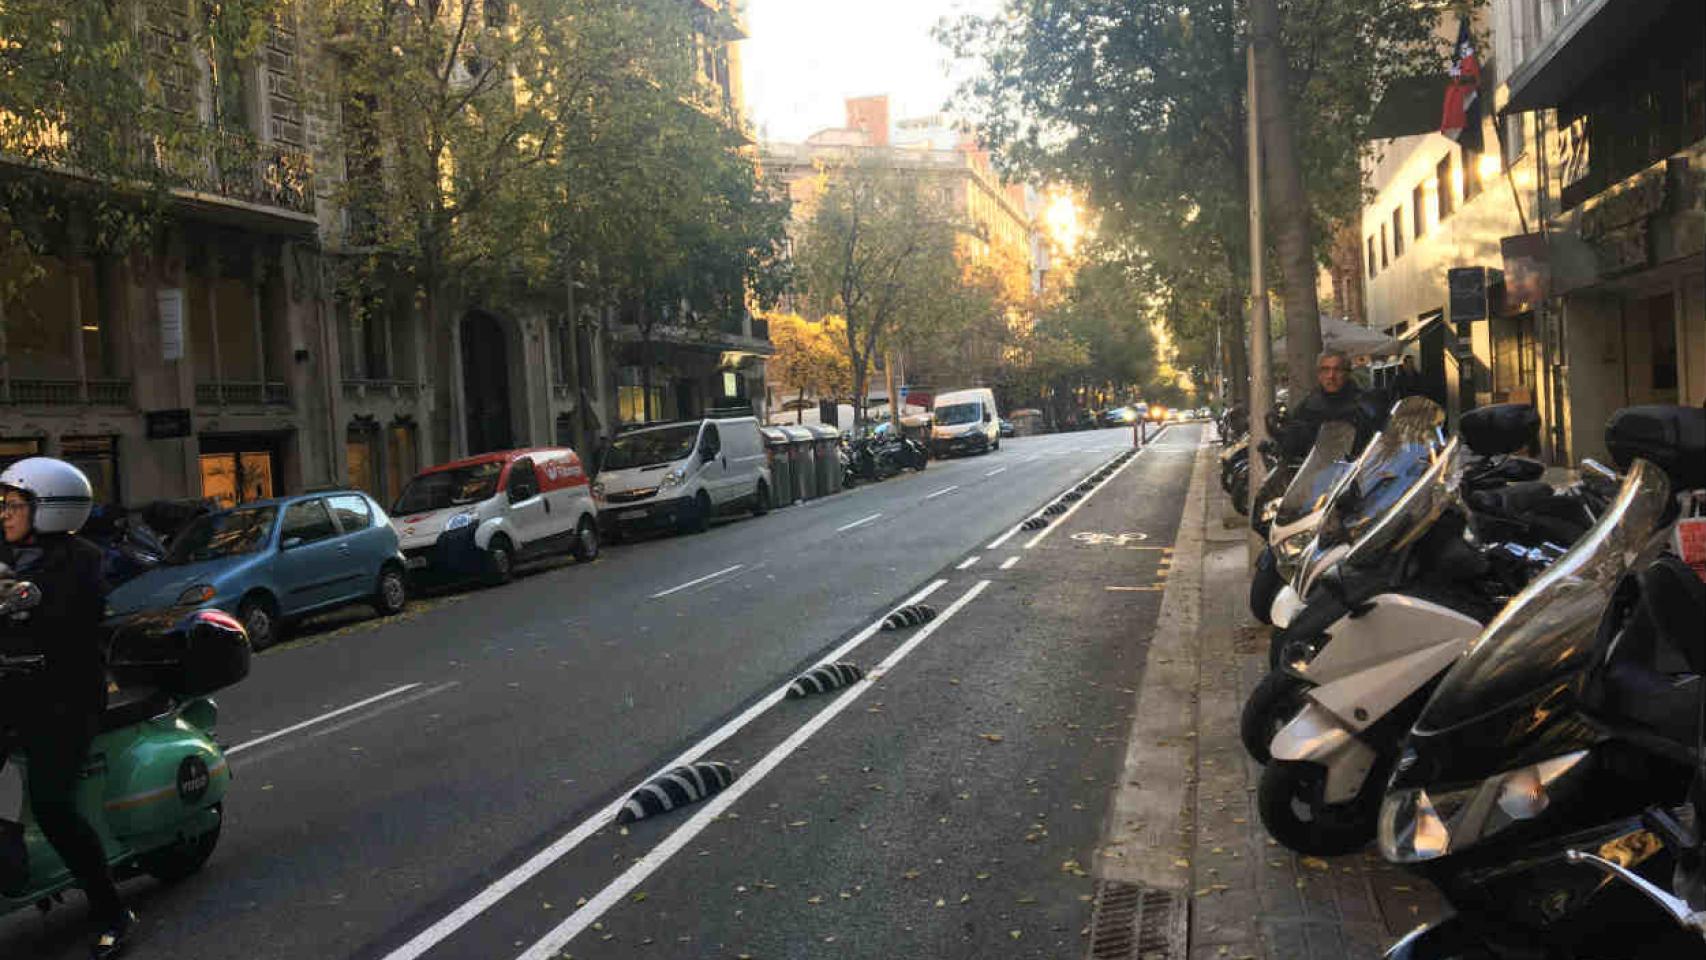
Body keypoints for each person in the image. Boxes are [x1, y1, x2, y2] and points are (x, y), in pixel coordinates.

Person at [0, 458, 134, 958]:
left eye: (15, 505)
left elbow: (71, 619)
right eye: (4, 504)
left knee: (53, 804)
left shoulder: (83, 559)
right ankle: (11, 857)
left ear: (49, 508)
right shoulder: (7, 552)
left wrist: (21, 602)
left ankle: (111, 910)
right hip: (10, 693)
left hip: (64, 700)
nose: (6, 514)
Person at [1279, 348, 1383, 459]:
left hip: (1357, 471)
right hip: (1318, 472)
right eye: (1325, 370)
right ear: (1319, 374)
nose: (1331, 376)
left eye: (1338, 370)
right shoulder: (1307, 406)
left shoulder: (1365, 403)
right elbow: (1294, 452)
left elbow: (1382, 442)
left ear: (1348, 373)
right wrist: (1281, 435)